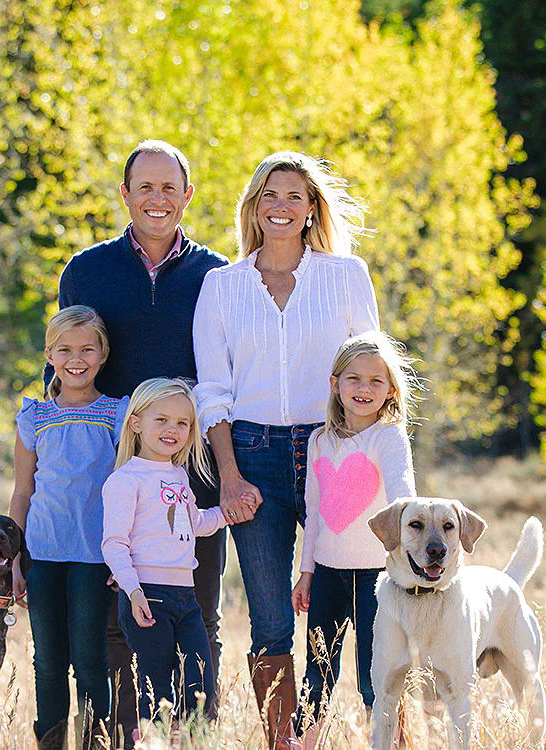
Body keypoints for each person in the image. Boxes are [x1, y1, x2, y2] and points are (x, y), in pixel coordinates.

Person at [192, 151, 381, 747]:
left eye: (294, 196)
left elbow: (371, 372)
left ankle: (384, 731)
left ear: (310, 210)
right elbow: (212, 391)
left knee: (359, 604)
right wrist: (228, 474)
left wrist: (375, 458)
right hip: (250, 456)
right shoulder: (220, 286)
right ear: (254, 204)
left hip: (335, 451)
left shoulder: (346, 275)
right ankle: (286, 743)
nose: (280, 205)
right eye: (270, 194)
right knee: (272, 621)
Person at [54, 140, 230, 741]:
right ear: (124, 194)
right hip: (116, 475)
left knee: (200, 616)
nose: (158, 199)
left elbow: (229, 376)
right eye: (144, 187)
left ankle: (194, 736)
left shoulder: (217, 276)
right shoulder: (87, 271)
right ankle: (121, 736)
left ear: (188, 196)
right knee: (116, 623)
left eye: (169, 187)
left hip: (193, 472)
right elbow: (65, 369)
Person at [290, 331, 419, 747]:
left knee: (374, 677)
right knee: (316, 676)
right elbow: (313, 514)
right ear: (335, 384)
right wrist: (306, 572)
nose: (364, 389)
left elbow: (403, 492)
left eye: (375, 381)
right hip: (327, 575)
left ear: (390, 390)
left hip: (377, 578)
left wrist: (412, 541)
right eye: (353, 379)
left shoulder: (389, 437)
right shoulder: (319, 441)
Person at [11, 306, 128, 748]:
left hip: (94, 557)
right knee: (48, 661)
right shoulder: (34, 418)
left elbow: (127, 489)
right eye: (64, 349)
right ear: (49, 355)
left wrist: (125, 555)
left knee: (90, 659)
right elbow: (22, 492)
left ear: (103, 355)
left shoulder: (118, 414)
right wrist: (16, 558)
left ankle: (98, 742)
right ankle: (52, 741)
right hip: (42, 553)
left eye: (86, 349)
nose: (75, 358)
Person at [100, 378, 234, 743]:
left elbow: (195, 523)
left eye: (182, 423)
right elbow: (113, 544)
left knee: (199, 682)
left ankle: (193, 742)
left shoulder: (178, 475)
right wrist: (133, 590)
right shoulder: (125, 480)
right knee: (156, 687)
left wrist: (231, 512)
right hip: (147, 596)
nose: (172, 429)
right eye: (162, 420)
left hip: (186, 598)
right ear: (136, 422)